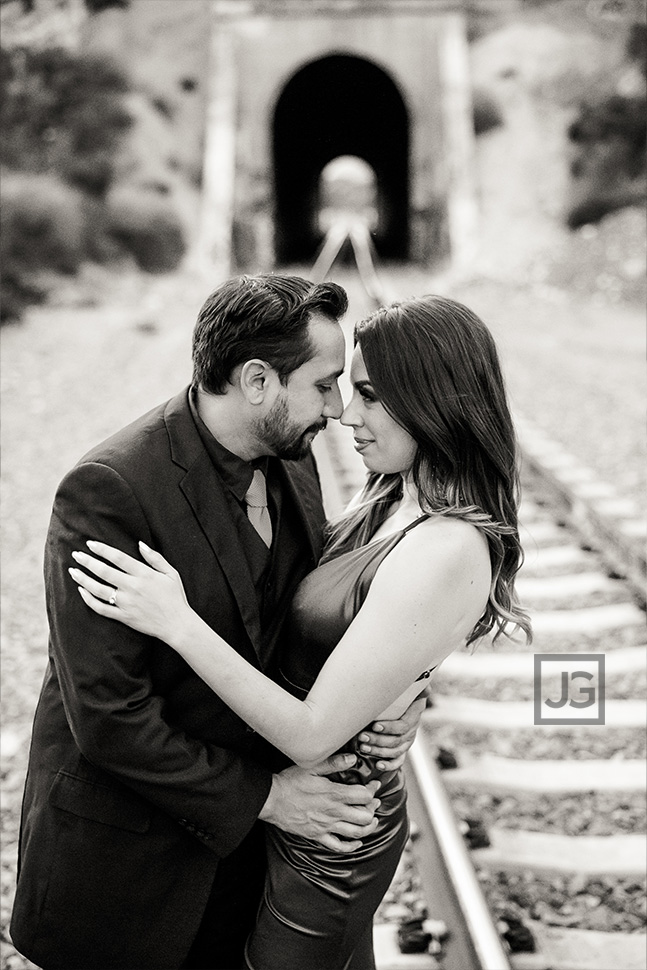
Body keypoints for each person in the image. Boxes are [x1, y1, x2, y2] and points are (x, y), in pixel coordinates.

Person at [68, 293, 533, 970]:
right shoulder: (389, 495)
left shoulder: (449, 545)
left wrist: (177, 622)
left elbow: (313, 730)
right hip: (293, 805)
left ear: (432, 400)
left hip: (331, 826)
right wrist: (403, 688)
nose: (347, 413)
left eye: (369, 395)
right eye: (340, 388)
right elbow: (366, 631)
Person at [10, 275, 427, 970]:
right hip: (134, 869)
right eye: (324, 385)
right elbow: (108, 714)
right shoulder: (111, 489)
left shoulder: (290, 463)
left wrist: (387, 701)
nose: (337, 409)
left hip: (249, 866)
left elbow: (300, 631)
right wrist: (268, 799)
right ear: (257, 379)